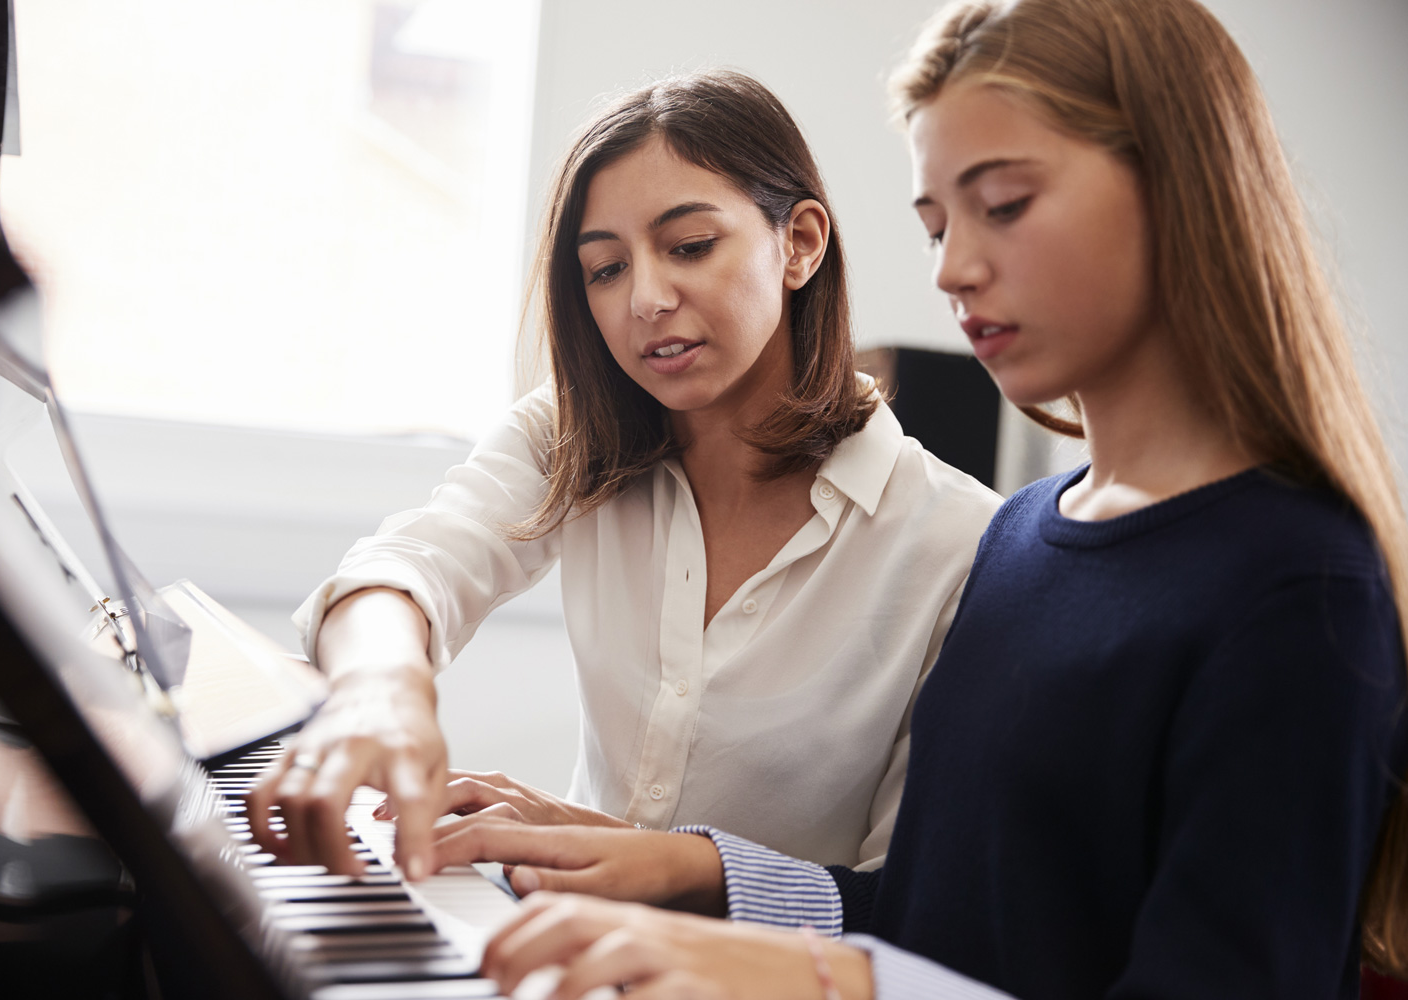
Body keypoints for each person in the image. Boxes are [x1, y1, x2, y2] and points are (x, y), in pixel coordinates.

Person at [427, 0, 1408, 997]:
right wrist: (689, 870)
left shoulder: (1299, 584)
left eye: (1005, 204)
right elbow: (934, 921)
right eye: (935, 223)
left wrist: (823, 979)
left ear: (1179, 189)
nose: (951, 269)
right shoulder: (1029, 538)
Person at [244, 70, 1000, 881]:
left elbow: (908, 905)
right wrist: (380, 690)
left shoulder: (959, 545)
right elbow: (411, 566)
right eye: (604, 269)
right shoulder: (575, 437)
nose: (644, 298)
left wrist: (648, 861)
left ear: (801, 244)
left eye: (690, 247)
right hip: (556, 938)